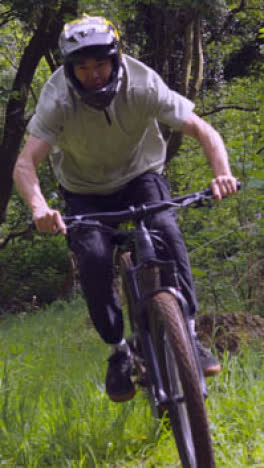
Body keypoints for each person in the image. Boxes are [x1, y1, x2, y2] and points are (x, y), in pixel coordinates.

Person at [13, 14, 237, 402]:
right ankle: (119, 350)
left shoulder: (143, 83)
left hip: (140, 176)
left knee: (166, 230)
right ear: (70, 70)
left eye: (100, 63)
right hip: (84, 191)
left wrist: (221, 174)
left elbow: (204, 130)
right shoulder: (58, 99)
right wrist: (38, 208)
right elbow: (24, 163)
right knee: (95, 259)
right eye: (82, 67)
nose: (94, 74)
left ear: (115, 59)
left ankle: (189, 332)